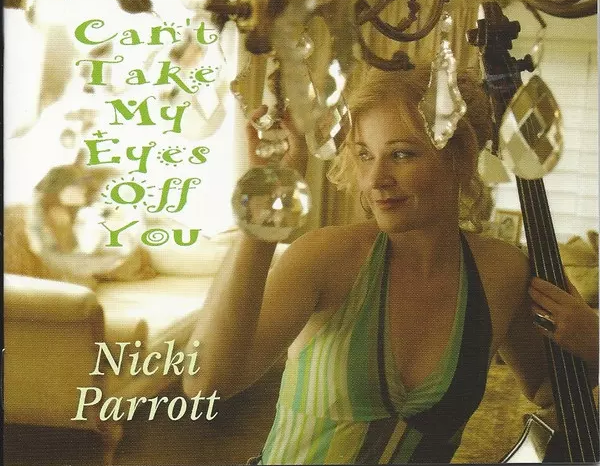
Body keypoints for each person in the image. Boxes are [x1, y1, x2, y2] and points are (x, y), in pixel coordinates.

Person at [183, 67, 595, 464]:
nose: (376, 179)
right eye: (365, 155)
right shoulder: (326, 258)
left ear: (460, 157)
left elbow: (550, 389)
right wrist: (262, 212)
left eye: (401, 154)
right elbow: (205, 383)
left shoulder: (503, 272)